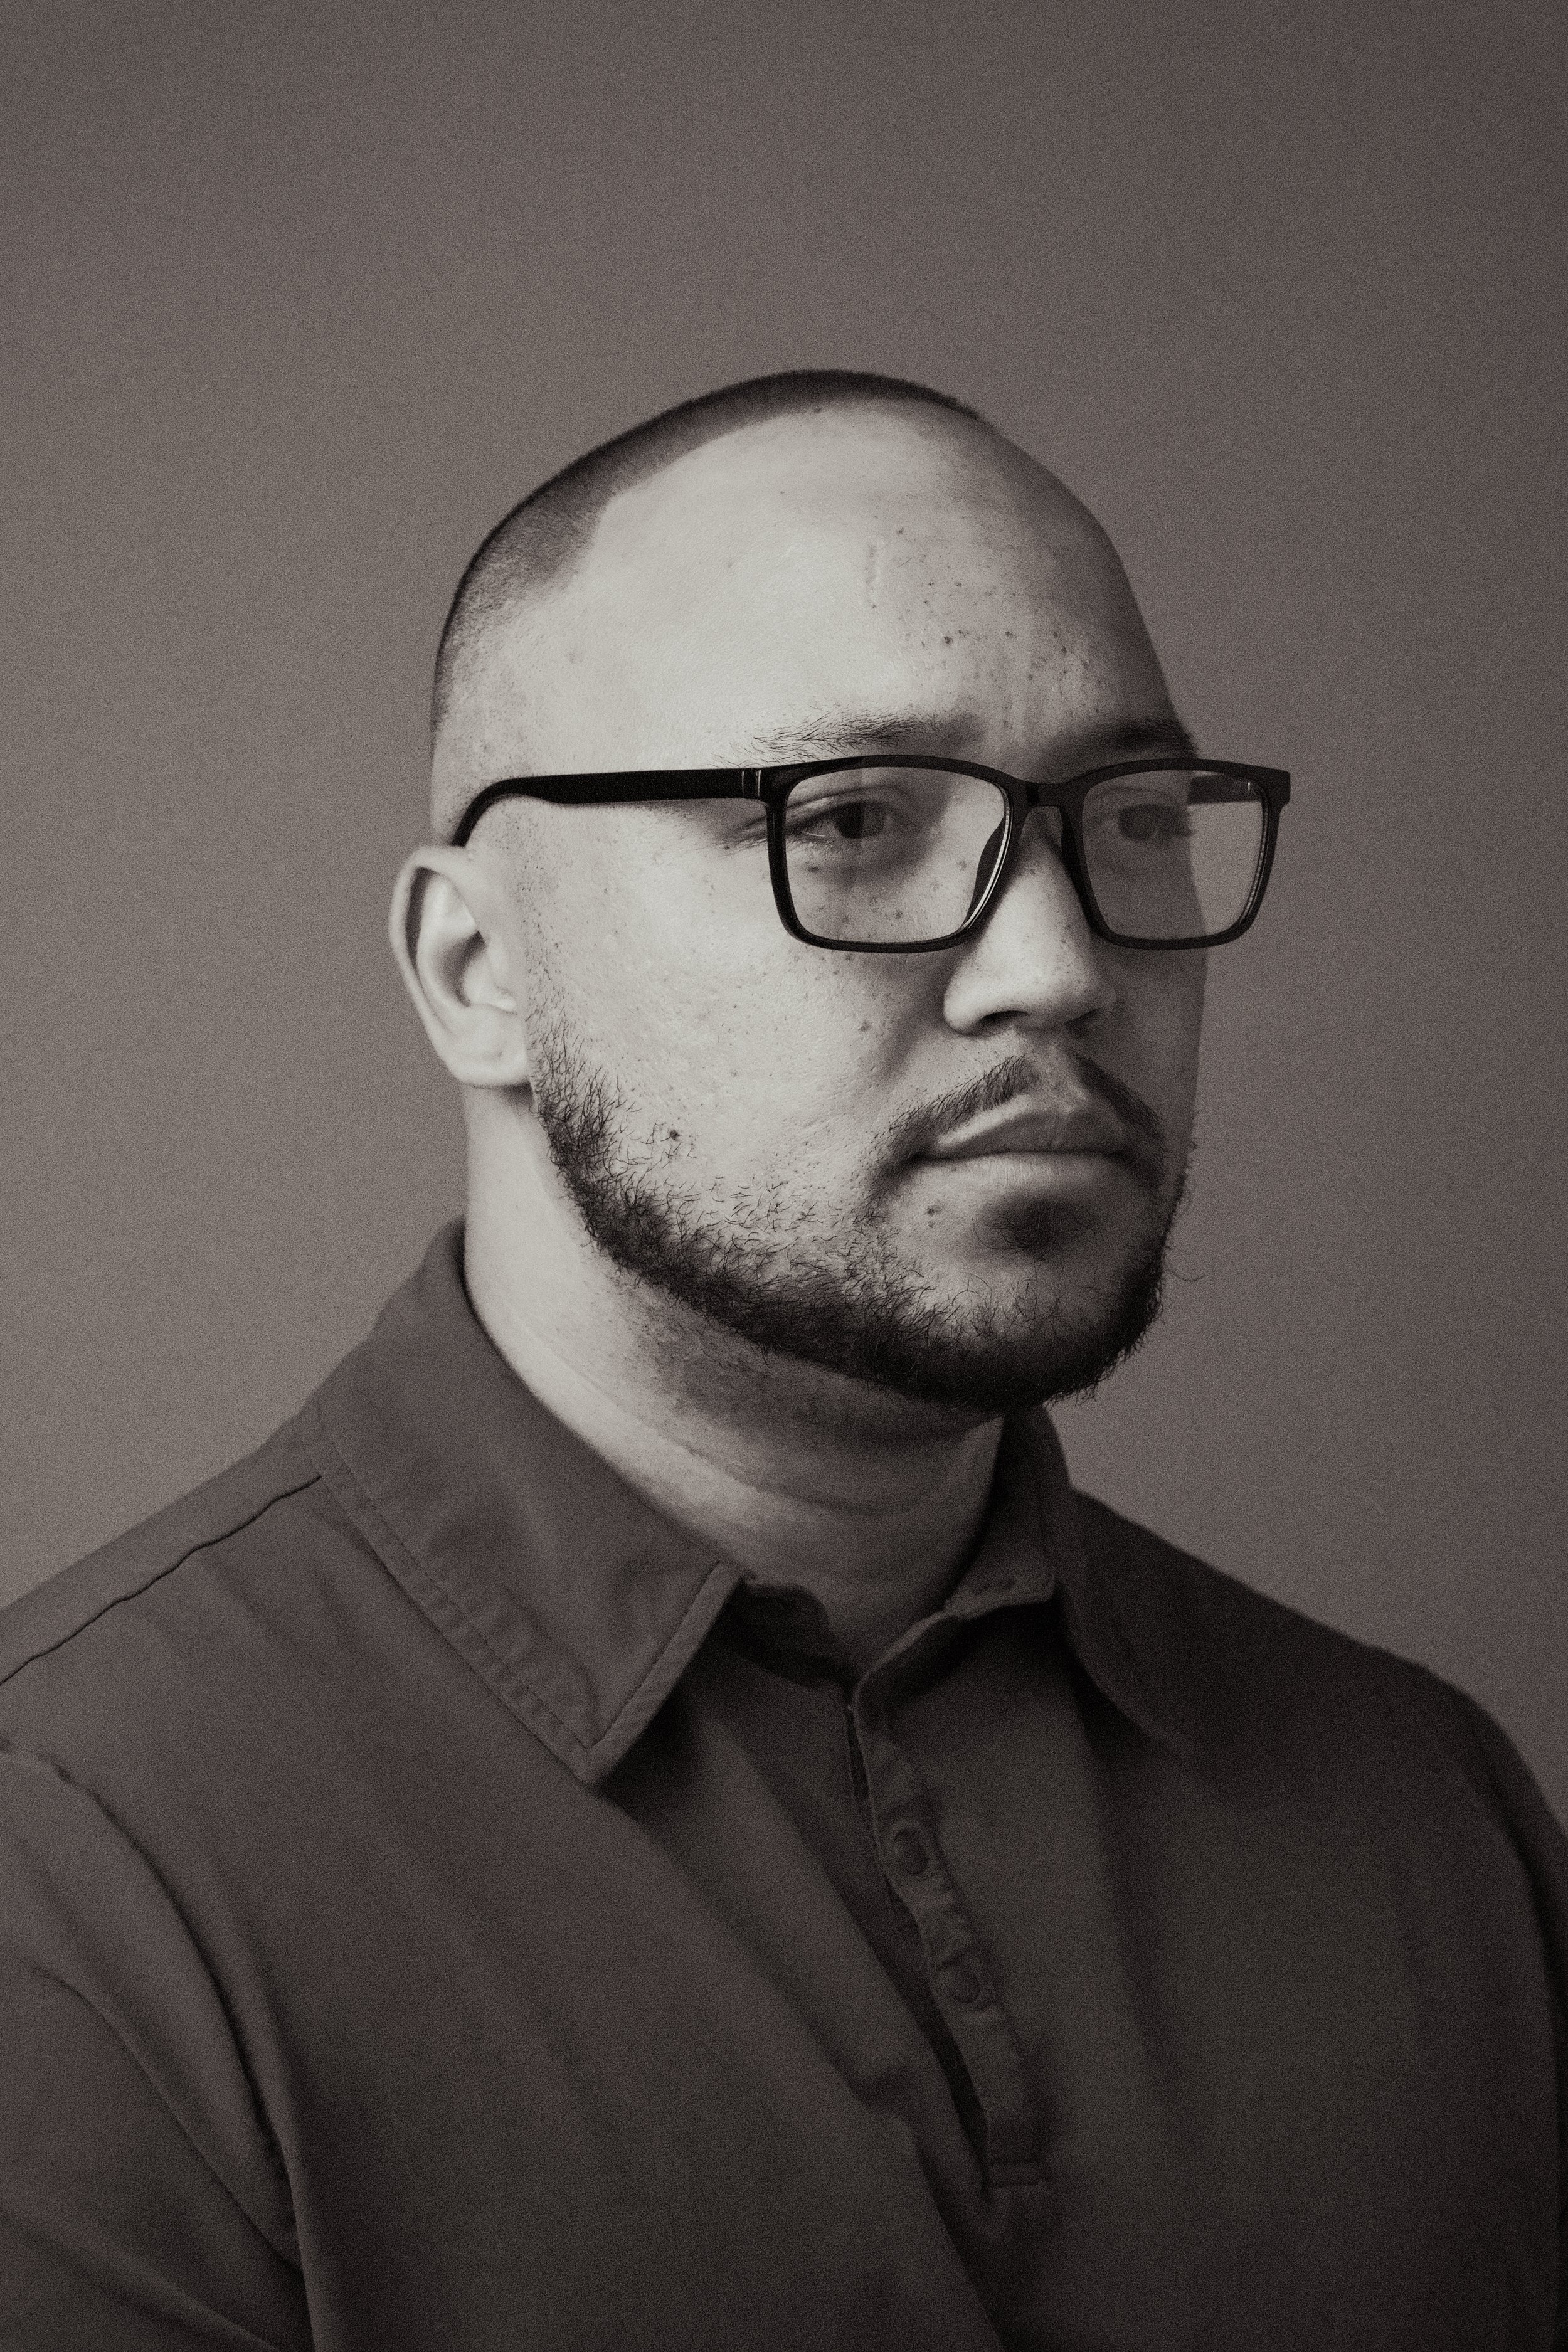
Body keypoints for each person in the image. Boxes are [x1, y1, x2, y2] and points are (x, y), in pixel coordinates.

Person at [1, 369, 1562, 2351]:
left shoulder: (1431, 1818)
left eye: (1133, 820)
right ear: (479, 973)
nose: (1059, 965)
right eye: (850, 823)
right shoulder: (74, 1876)